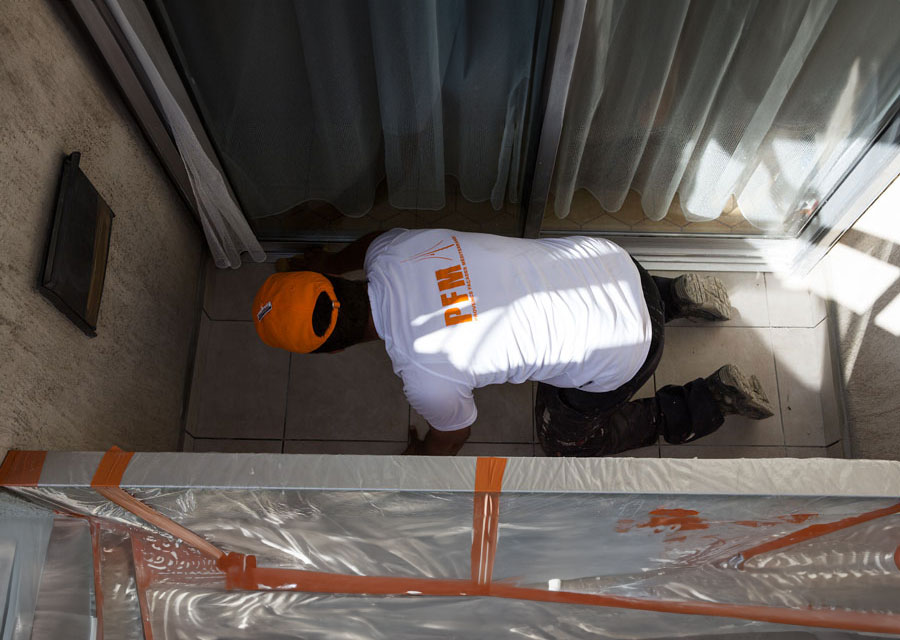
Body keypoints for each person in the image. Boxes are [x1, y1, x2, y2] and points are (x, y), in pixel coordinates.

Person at [253, 229, 773, 456]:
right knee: (558, 283)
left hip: (632, 350)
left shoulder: (425, 375)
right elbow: (369, 244)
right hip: (615, 262)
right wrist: (322, 262)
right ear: (336, 282)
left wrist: (421, 462)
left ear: (335, 350)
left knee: (567, 442)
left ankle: (711, 398)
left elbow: (454, 435)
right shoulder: (396, 248)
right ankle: (675, 294)